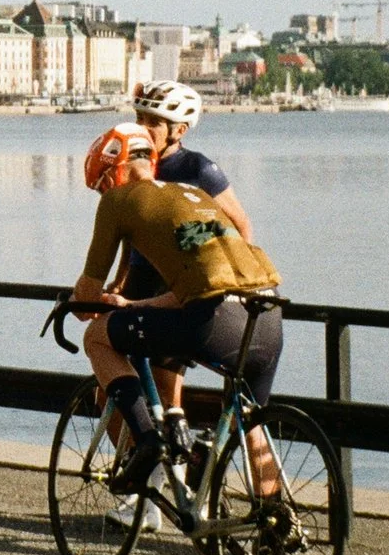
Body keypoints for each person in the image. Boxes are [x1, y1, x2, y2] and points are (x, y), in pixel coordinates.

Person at [68, 123, 283, 505]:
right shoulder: (194, 195)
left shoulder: (118, 201)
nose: (103, 193)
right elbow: (202, 283)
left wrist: (82, 304)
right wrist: (135, 307)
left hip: (213, 323)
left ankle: (147, 442)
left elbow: (87, 295)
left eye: (101, 184)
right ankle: (277, 522)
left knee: (97, 337)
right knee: (252, 424)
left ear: (112, 171)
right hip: (266, 317)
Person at [111, 81, 260, 518]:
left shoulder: (198, 168)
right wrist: (119, 282)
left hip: (181, 280)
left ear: (179, 131)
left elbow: (240, 223)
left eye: (153, 123)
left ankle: (161, 479)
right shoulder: (135, 163)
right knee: (114, 390)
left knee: (164, 382)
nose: (143, 128)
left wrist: (234, 279)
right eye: (138, 119)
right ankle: (146, 471)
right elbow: (127, 231)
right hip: (142, 273)